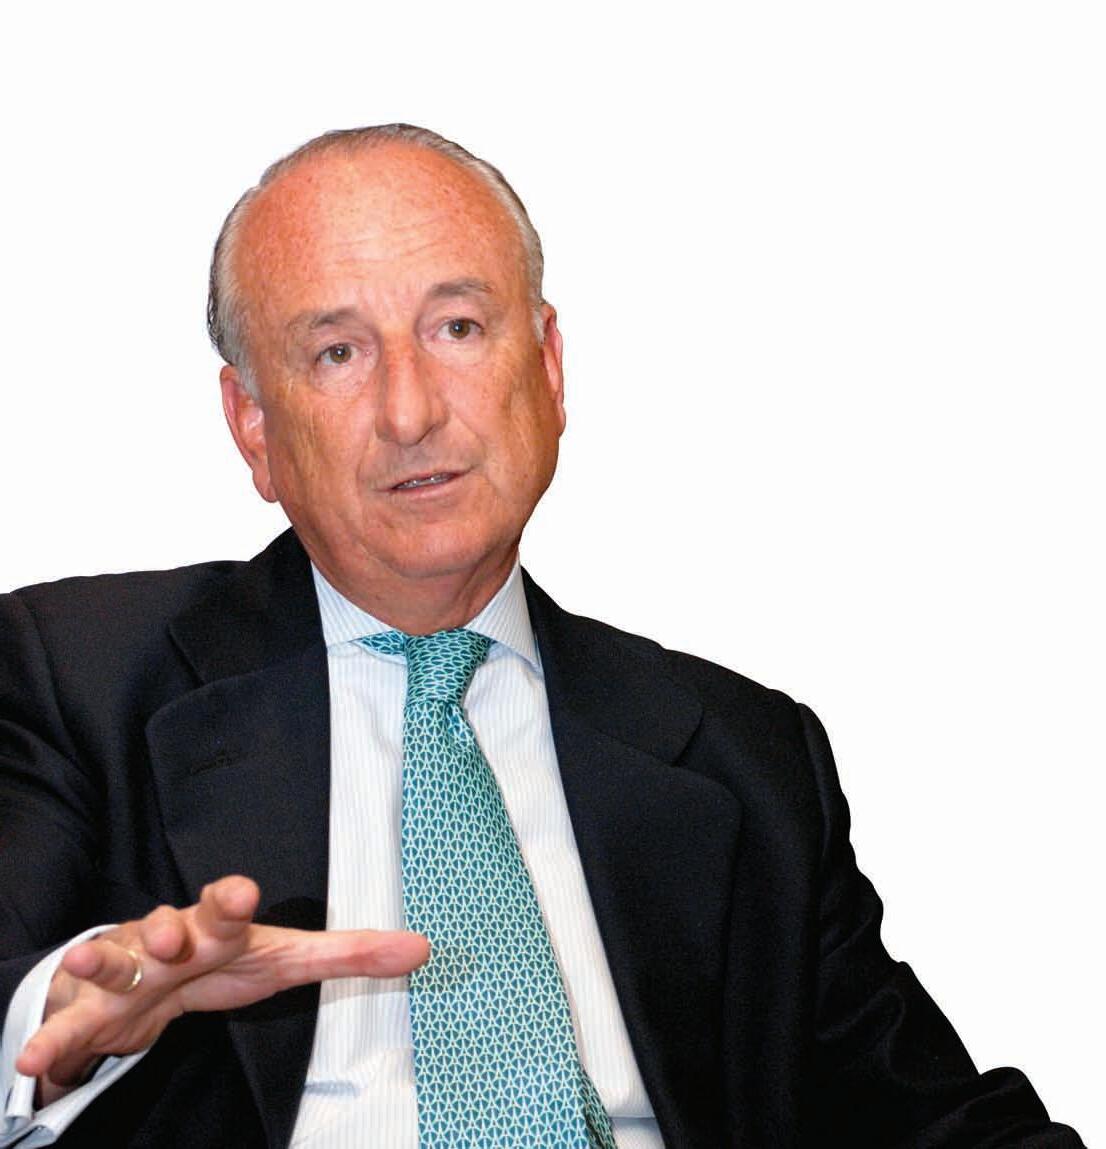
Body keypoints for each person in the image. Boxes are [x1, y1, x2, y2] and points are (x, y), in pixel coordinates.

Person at [0, 124, 1084, 1148]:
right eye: (336, 352)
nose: (412, 411)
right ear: (254, 427)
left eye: (457, 329)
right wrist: (52, 1030)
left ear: (549, 366)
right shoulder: (75, 677)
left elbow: (924, 1117)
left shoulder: (741, 755)